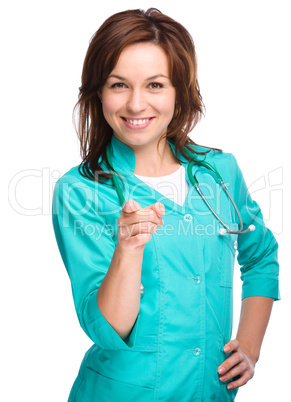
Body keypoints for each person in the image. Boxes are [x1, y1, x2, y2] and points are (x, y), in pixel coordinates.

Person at [52, 8, 280, 402]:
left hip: (209, 392)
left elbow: (261, 256)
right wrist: (127, 250)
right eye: (119, 84)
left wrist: (250, 345)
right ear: (98, 92)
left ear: (180, 91)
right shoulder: (79, 191)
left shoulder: (219, 172)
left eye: (155, 85)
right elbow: (107, 329)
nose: (136, 104)